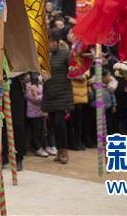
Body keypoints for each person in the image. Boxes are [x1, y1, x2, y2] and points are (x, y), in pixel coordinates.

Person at [41, 30, 72, 164]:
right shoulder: (44, 55)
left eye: (52, 42)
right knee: (53, 124)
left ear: (57, 42)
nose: (50, 44)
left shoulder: (65, 53)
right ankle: (59, 151)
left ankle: (64, 151)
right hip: (49, 94)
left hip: (62, 94)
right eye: (48, 42)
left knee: (60, 123)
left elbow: (73, 69)